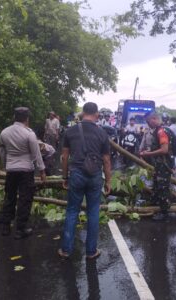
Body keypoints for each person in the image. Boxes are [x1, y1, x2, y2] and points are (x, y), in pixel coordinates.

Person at [58, 102, 111, 259]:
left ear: (83, 113)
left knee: (72, 210)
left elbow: (65, 157)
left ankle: (66, 250)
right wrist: (108, 181)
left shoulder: (70, 131)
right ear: (96, 114)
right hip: (95, 175)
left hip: (77, 174)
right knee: (93, 211)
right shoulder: (102, 133)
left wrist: (65, 176)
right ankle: (91, 251)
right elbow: (107, 160)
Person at [0, 107, 46, 239]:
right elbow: (36, 154)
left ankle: (5, 227)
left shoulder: (4, 133)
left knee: (9, 197)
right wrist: (42, 171)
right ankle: (20, 229)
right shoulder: (29, 134)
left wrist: (5, 165)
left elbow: (2, 152)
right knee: (25, 199)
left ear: (14, 117)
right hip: (26, 170)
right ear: (27, 119)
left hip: (11, 170)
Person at [140, 112, 172, 221]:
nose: (147, 124)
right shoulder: (158, 131)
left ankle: (165, 213)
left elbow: (164, 150)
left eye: (148, 121)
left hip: (164, 165)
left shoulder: (161, 131)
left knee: (163, 188)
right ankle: (154, 204)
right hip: (159, 164)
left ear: (153, 119)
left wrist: (147, 154)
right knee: (157, 185)